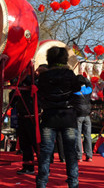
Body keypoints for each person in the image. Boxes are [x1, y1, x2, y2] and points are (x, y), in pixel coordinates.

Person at [35, 46, 82, 188]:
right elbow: (78, 90)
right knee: (70, 153)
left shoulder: (43, 76)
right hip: (67, 116)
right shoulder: (70, 75)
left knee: (45, 153)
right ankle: (73, 183)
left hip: (49, 116)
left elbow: (39, 92)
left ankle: (41, 183)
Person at [11, 75, 37, 175]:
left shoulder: (33, 84)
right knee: (24, 144)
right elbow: (12, 102)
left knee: (35, 144)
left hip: (32, 117)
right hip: (21, 117)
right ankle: (27, 167)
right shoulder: (18, 87)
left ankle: (43, 167)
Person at [74, 75, 93, 162]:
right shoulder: (89, 90)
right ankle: (89, 156)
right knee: (87, 135)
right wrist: (85, 79)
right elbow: (90, 84)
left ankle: (79, 156)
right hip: (87, 115)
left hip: (78, 115)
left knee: (78, 136)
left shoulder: (74, 92)